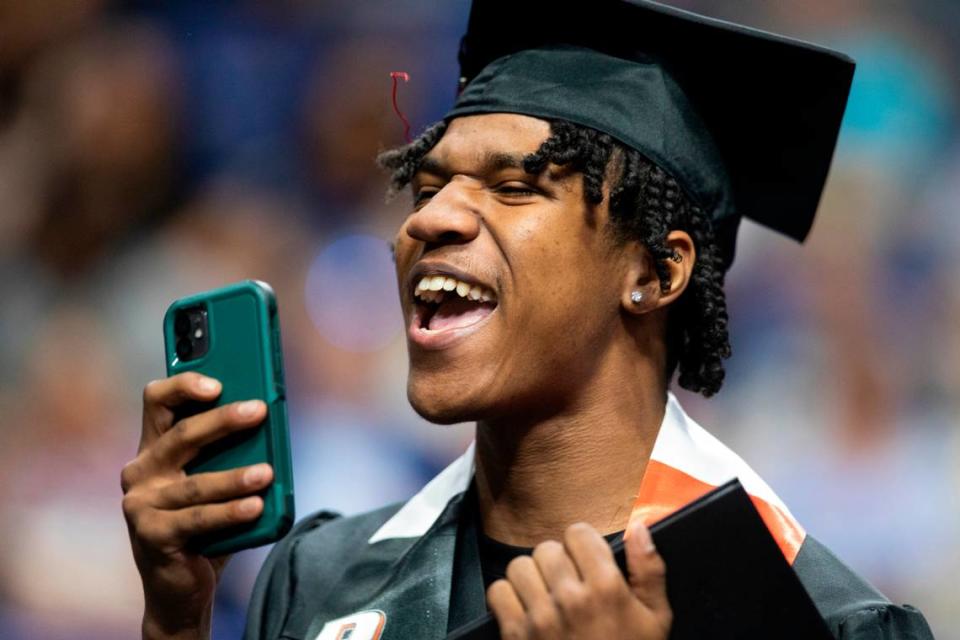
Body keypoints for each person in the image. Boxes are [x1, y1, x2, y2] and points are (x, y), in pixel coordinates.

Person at [121, 1, 935, 638]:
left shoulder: (808, 618)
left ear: (657, 270)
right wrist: (176, 622)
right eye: (429, 186)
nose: (427, 221)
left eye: (513, 188)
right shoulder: (319, 580)